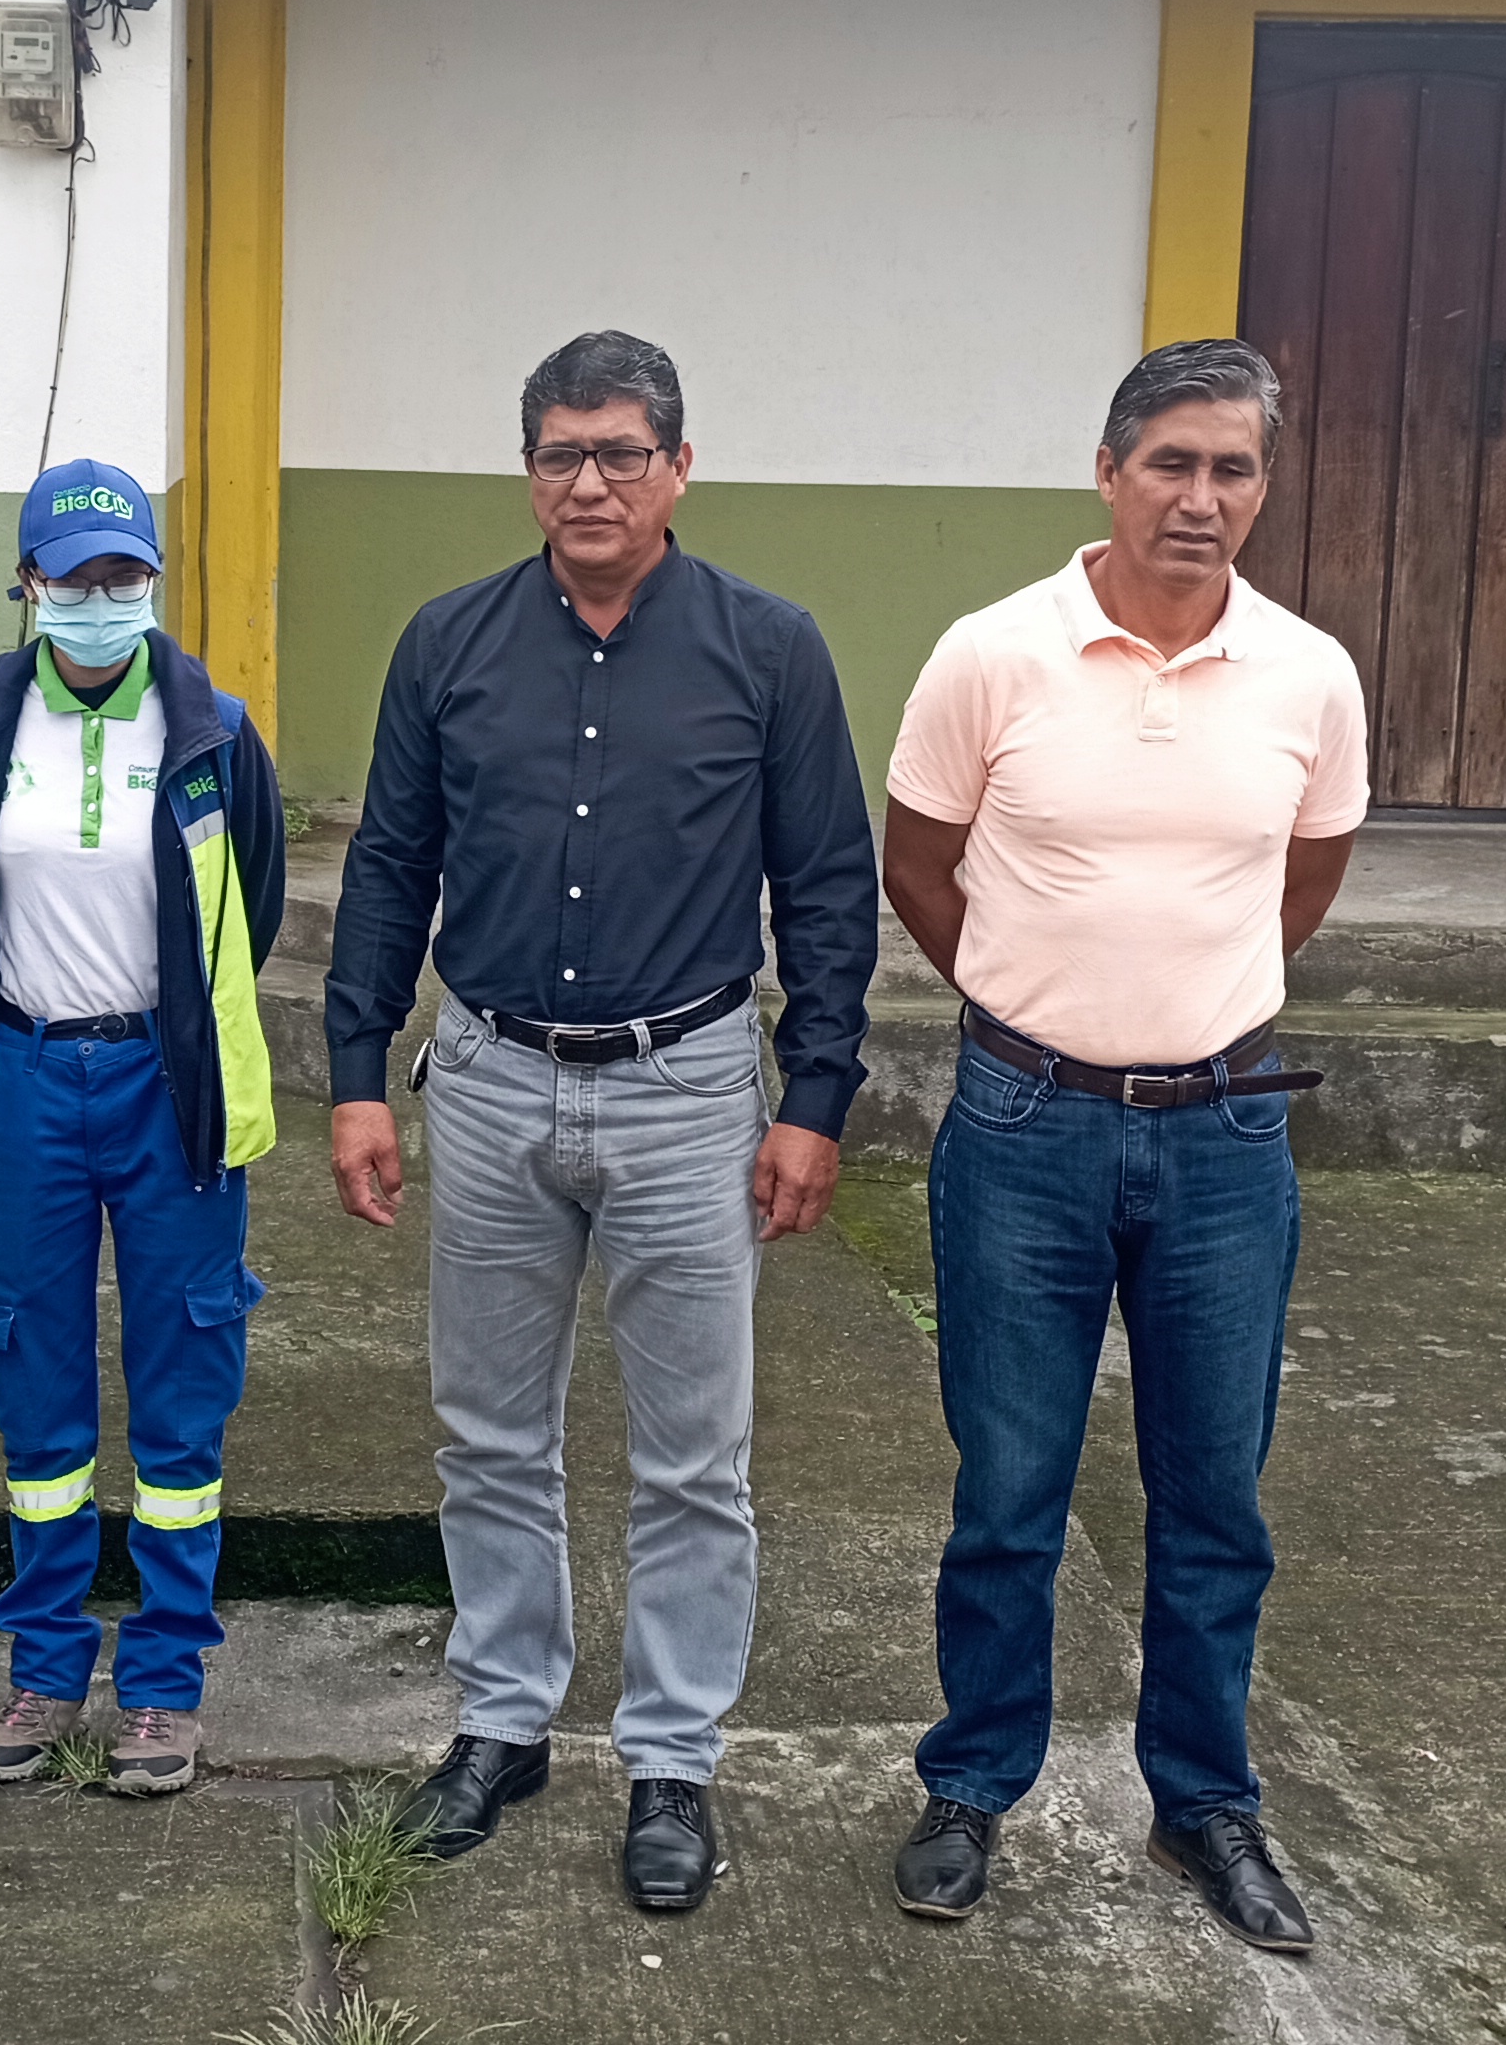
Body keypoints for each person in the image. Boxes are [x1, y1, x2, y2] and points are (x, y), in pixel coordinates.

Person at [329, 330, 878, 1913]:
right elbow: (390, 867)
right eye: (562, 454)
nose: (591, 483)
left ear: (678, 468)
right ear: (529, 472)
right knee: (490, 1432)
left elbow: (827, 888)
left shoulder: (769, 650)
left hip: (688, 1090)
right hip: (492, 1080)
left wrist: (816, 1097)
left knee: (695, 1456)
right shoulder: (448, 644)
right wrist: (357, 1072)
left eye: (622, 453)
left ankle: (673, 1758)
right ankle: (504, 1723)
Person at [877, 339, 1365, 1951]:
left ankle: (1206, 1803)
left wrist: (1184, 1007)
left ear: (1263, 489)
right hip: (1024, 1128)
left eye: (1233, 469)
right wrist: (1036, 1001)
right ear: (1107, 471)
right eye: (1171, 463)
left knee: (1214, 1496)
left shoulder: (1309, 674)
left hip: (1225, 1135)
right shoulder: (993, 655)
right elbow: (921, 863)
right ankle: (972, 1783)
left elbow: (1305, 877)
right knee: (1010, 1486)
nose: (1199, 498)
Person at [0, 460, 285, 1796]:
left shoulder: (213, 731)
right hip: (23, 1078)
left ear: (154, 582)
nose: (100, 598)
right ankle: (45, 1666)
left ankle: (166, 1683)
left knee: (185, 1373)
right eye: (72, 577)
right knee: (33, 1367)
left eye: (125, 575)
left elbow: (254, 902)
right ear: (28, 584)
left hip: (165, 1084)